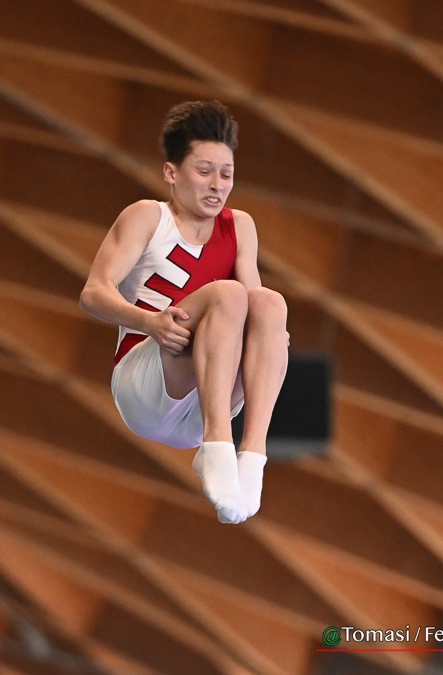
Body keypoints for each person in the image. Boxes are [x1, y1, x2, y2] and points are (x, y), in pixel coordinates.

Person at [79, 100, 289, 524]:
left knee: (270, 303)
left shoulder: (240, 227)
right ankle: (217, 443)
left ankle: (251, 455)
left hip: (205, 399)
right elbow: (93, 293)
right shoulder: (147, 217)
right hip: (146, 385)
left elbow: (257, 308)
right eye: (204, 171)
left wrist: (273, 336)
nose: (217, 185)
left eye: (226, 174)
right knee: (228, 295)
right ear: (171, 173)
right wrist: (149, 322)